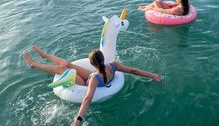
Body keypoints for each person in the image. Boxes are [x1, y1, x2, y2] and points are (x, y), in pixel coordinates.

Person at [23, 46, 162, 126]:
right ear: (102, 60)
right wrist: (153, 75)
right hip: (92, 76)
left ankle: (34, 64)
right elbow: (133, 70)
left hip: (84, 83)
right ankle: (45, 56)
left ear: (93, 64)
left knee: (63, 69)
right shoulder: (113, 66)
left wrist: (78, 120)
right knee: (67, 64)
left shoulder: (95, 78)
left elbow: (88, 98)